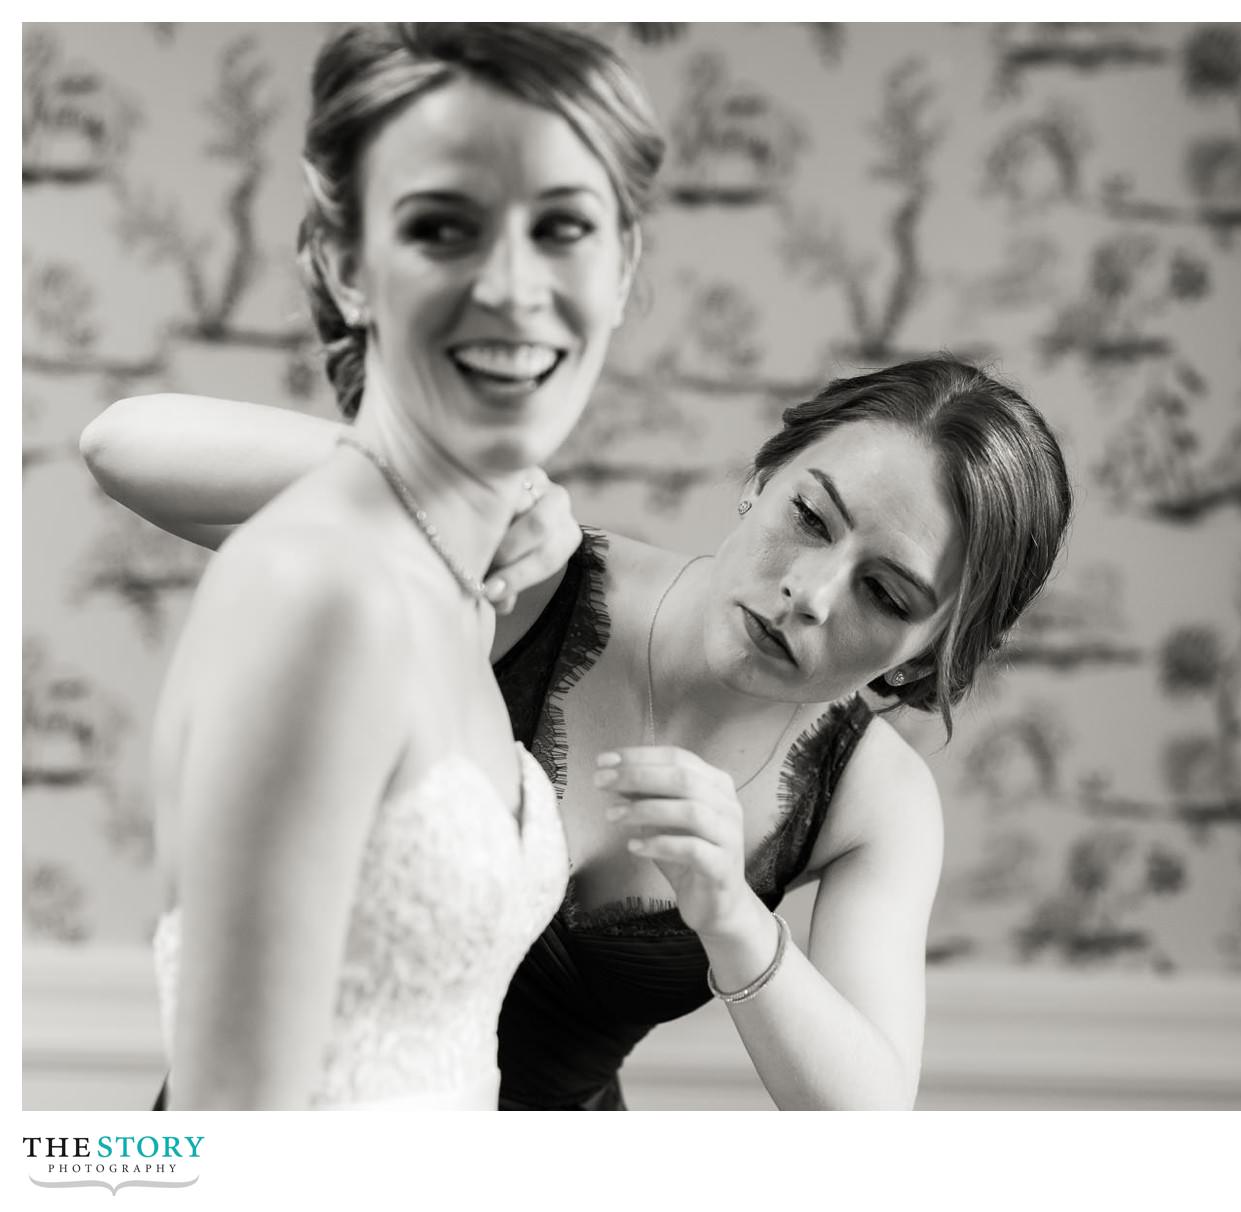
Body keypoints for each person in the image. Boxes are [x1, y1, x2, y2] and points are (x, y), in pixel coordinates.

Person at [86, 83, 1074, 1122]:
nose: (811, 594)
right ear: (760, 477)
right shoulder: (525, 570)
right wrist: (454, 489)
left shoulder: (872, 799)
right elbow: (126, 448)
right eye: (811, 517)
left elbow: (867, 1119)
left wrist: (733, 917)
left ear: (929, 646)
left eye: (884, 593)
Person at [115, 22, 664, 1108]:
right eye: (444, 228)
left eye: (562, 227)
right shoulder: (321, 593)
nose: (512, 287)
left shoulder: (450, 593)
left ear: (623, 265)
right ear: (344, 263)